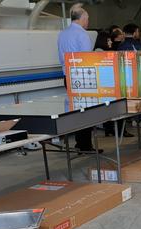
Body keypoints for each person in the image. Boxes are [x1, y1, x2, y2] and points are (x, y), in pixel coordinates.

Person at [57, 3, 100, 153]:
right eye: (87, 19)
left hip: (67, 76)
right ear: (82, 18)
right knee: (86, 111)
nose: (88, 22)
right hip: (82, 78)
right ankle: (86, 145)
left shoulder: (62, 33)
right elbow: (87, 59)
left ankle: (79, 142)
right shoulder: (82, 34)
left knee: (75, 110)